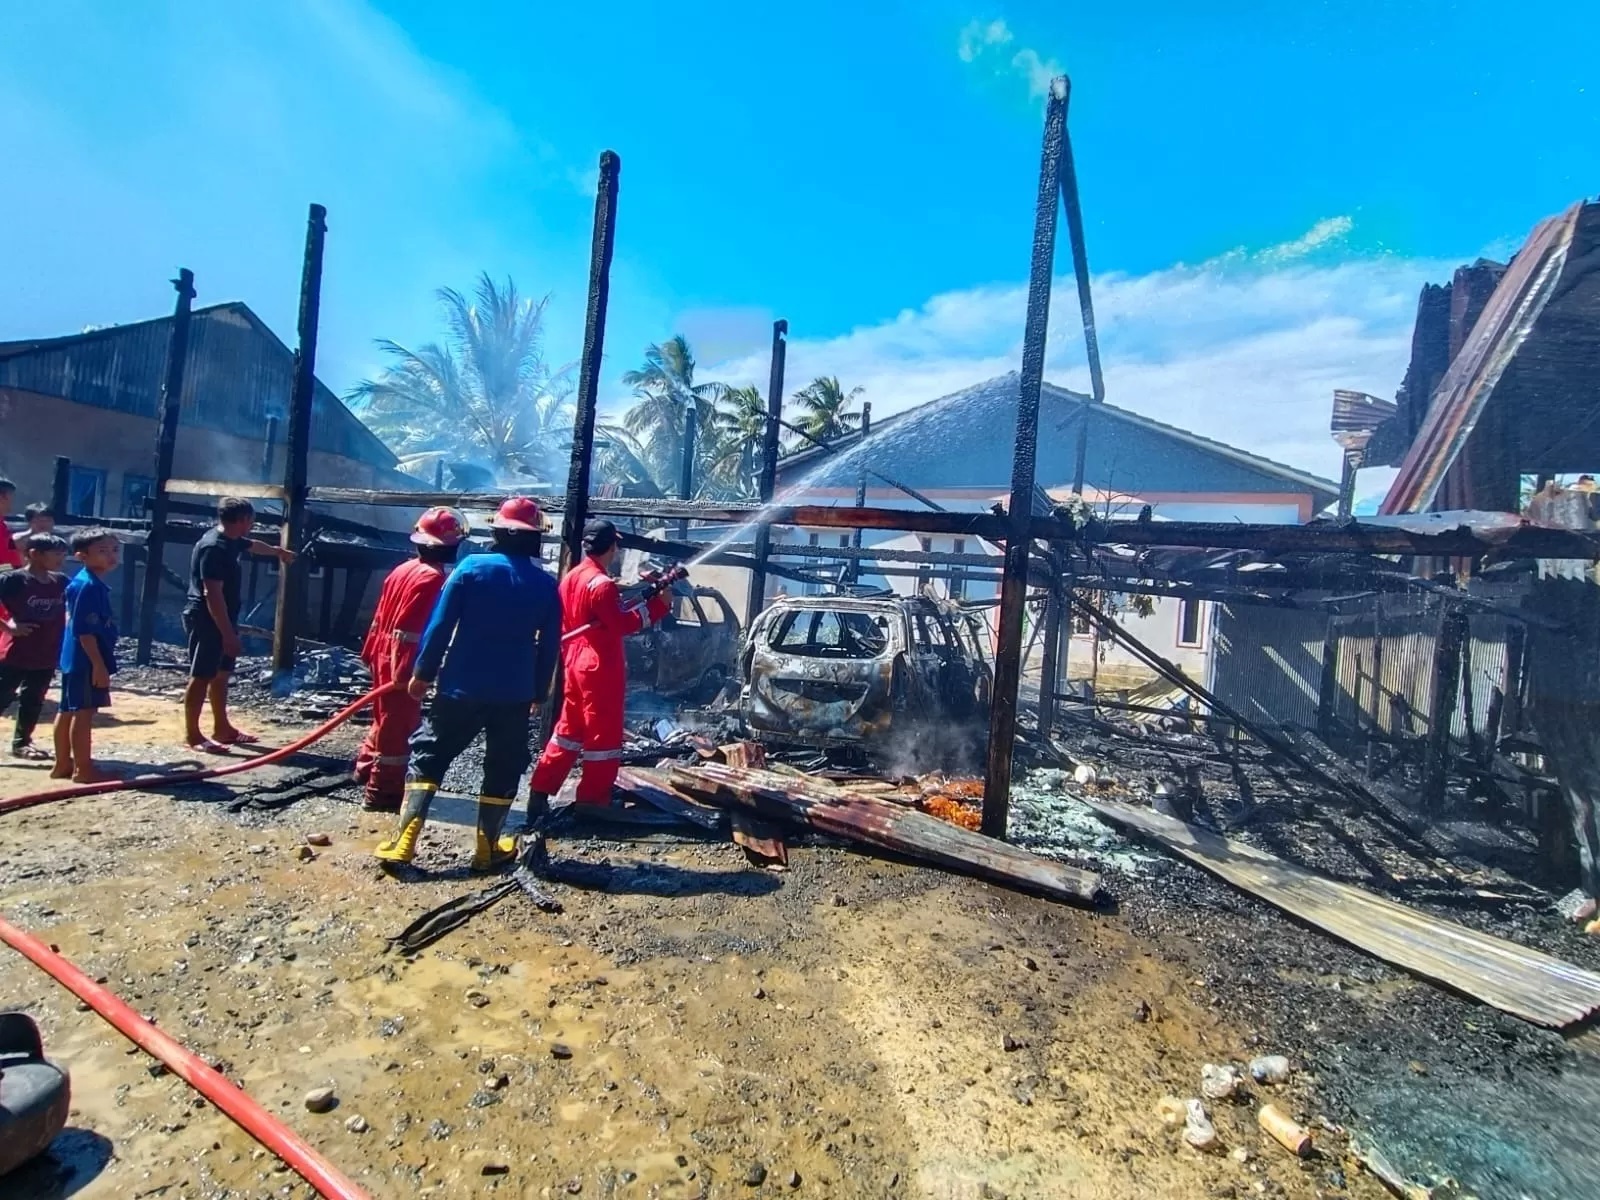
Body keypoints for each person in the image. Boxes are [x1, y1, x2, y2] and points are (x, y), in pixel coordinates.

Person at [375, 497, 562, 872]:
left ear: (497, 532)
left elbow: (439, 626)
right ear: (534, 539)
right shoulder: (545, 585)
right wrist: (539, 693)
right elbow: (549, 648)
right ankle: (487, 848)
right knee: (503, 765)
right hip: (514, 691)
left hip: (460, 684)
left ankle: (404, 842)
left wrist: (422, 674)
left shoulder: (469, 569)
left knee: (430, 755)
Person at [527, 519, 671, 814]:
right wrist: (660, 605)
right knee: (602, 737)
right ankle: (593, 801)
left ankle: (540, 791)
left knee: (568, 731)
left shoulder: (572, 577)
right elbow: (620, 624)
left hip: (575, 663)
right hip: (599, 667)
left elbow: (602, 615)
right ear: (613, 546)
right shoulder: (602, 584)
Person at [352, 506, 468, 812]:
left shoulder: (401, 569)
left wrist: (370, 654)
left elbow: (379, 618)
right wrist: (408, 676)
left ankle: (365, 768)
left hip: (382, 654)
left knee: (384, 717)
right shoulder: (431, 578)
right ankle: (382, 792)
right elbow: (409, 631)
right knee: (398, 727)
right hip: (399, 662)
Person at [182, 497, 295, 752]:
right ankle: (193, 735)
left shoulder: (232, 540)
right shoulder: (214, 548)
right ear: (244, 519)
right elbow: (212, 594)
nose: (252, 525)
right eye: (251, 520)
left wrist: (278, 552)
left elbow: (253, 545)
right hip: (207, 617)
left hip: (223, 617)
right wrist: (227, 634)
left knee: (221, 674)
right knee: (202, 676)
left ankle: (222, 729)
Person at [53, 528, 121, 783]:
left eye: (114, 550)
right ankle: (83, 769)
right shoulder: (89, 586)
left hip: (73, 657)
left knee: (68, 709)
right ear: (82, 555)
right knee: (84, 711)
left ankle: (62, 764)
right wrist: (99, 666)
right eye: (102, 551)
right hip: (85, 659)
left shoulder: (88, 582)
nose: (111, 556)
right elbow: (85, 632)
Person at [0, 533, 70, 759]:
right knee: (3, 694)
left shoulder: (60, 581)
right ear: (34, 554)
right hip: (16, 651)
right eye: (55, 553)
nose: (61, 558)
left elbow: (70, 607)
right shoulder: (14, 580)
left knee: (34, 698)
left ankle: (22, 742)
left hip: (47, 651)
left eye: (62, 553)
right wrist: (8, 627)